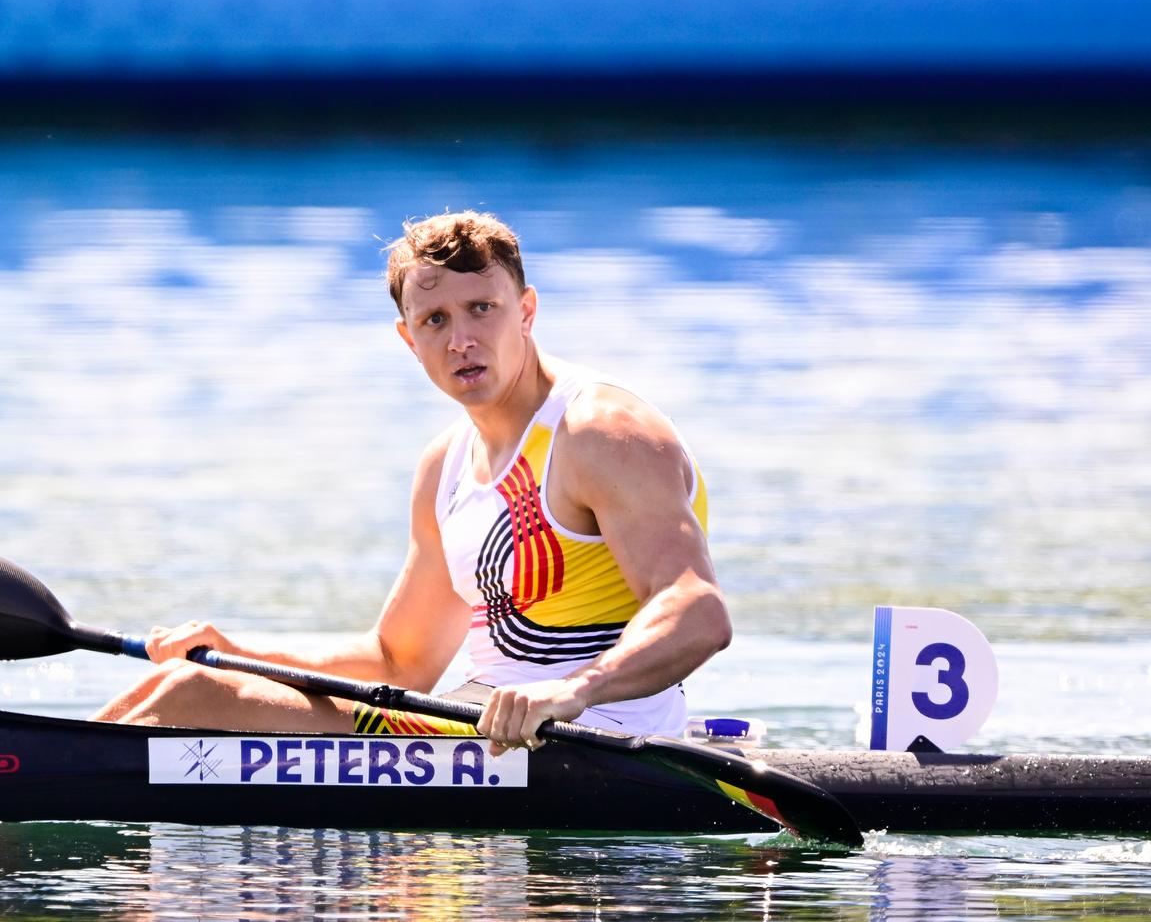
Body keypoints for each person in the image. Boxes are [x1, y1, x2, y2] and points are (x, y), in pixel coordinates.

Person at [95, 210, 729, 752]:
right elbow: (400, 661)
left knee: (194, 696)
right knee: (178, 683)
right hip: (479, 725)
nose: (462, 340)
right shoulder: (445, 465)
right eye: (436, 321)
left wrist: (572, 689)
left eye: (482, 309)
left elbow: (697, 610)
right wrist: (238, 648)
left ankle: (10, 801)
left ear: (527, 310)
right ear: (408, 339)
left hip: (597, 737)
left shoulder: (600, 432)